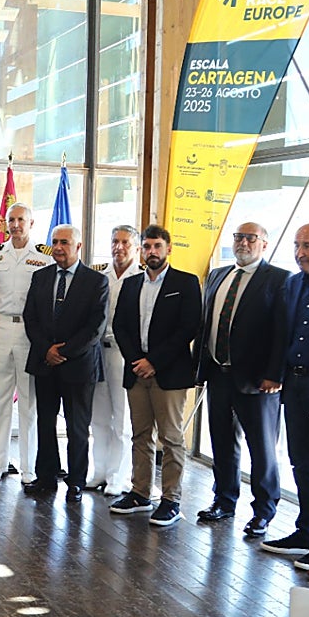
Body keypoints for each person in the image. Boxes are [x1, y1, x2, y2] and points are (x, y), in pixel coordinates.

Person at [195, 221, 289, 538]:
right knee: (222, 443)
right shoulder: (218, 275)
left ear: (264, 244)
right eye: (239, 237)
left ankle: (263, 512)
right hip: (218, 375)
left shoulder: (279, 279)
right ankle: (224, 501)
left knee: (261, 450)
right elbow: (206, 323)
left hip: (259, 382)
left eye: (251, 238)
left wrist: (274, 374)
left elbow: (282, 332)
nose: (243, 243)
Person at [108, 225, 201, 527]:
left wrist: (154, 362)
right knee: (140, 434)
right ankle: (140, 493)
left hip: (168, 373)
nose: (152, 252)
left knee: (171, 438)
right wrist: (138, 360)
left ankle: (171, 500)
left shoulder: (185, 283)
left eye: (157, 246)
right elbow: (120, 326)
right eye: (147, 246)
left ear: (168, 248)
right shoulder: (132, 283)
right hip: (136, 370)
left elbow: (188, 328)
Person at [22, 224, 109, 503]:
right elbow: (30, 318)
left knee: (77, 428)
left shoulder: (96, 281)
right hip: (45, 362)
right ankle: (46, 477)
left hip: (79, 366)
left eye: (65, 243)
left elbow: (95, 327)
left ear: (78, 247)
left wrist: (64, 351)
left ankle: (76, 482)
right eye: (55, 242)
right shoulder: (40, 277)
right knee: (45, 423)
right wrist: (46, 349)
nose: (58, 248)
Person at [0, 203, 53, 484]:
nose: (15, 225)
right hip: (1, 329)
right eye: (11, 220)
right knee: (0, 401)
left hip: (29, 332)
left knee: (28, 402)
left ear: (31, 223)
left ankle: (28, 467)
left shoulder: (44, 258)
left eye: (21, 219)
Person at [265, 224, 309, 564]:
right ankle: (306, 532)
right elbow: (283, 333)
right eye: (297, 245)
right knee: (301, 461)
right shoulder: (293, 284)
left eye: (307, 245)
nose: (300, 253)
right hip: (295, 384)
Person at [90, 225, 142, 498]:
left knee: (121, 420)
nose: (118, 247)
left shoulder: (141, 277)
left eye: (125, 243)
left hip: (124, 354)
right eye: (114, 241)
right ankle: (99, 470)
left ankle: (118, 476)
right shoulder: (100, 274)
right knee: (99, 417)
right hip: (99, 351)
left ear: (136, 248)